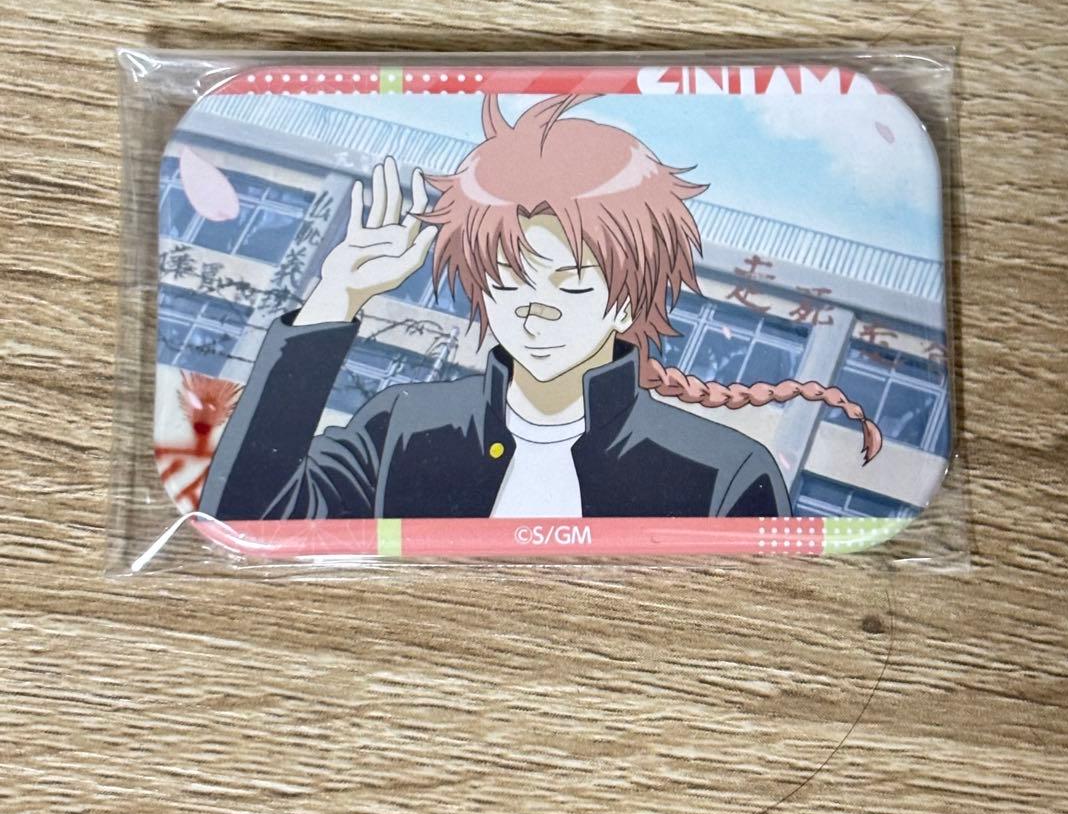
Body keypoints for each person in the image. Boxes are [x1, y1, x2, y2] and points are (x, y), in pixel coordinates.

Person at [200, 94, 880, 521]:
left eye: (572, 284)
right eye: (509, 279)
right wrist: (335, 299)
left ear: (628, 302)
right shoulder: (401, 428)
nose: (535, 308)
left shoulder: (722, 474)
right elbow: (245, 516)